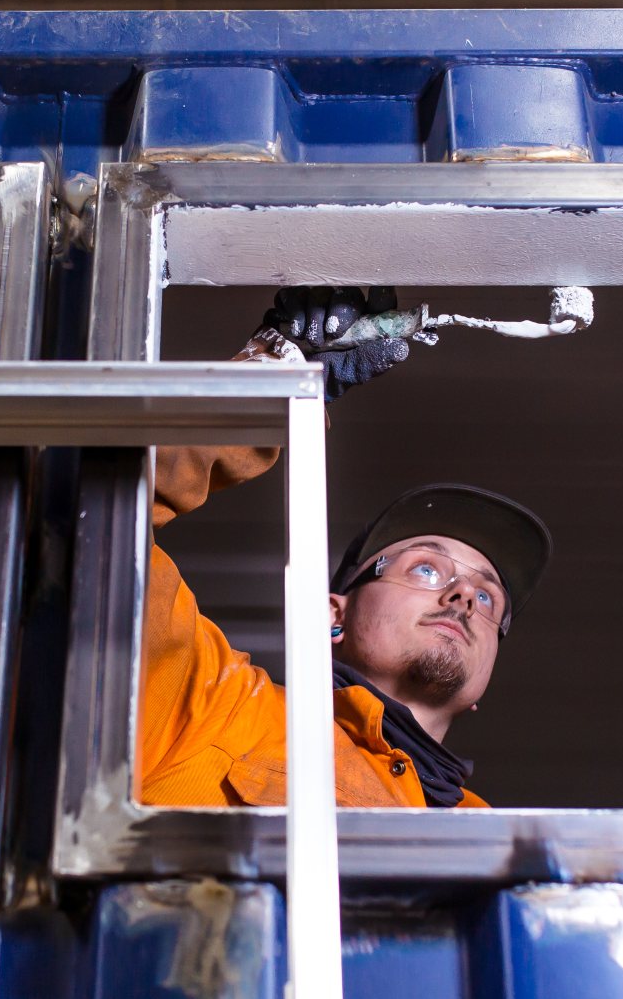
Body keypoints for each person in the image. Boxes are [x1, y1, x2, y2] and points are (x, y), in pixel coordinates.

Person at [138, 286, 552, 809]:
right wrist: (274, 380)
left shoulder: (496, 838)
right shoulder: (218, 708)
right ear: (332, 615)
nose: (464, 598)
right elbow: (94, 512)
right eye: (426, 569)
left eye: (488, 598)